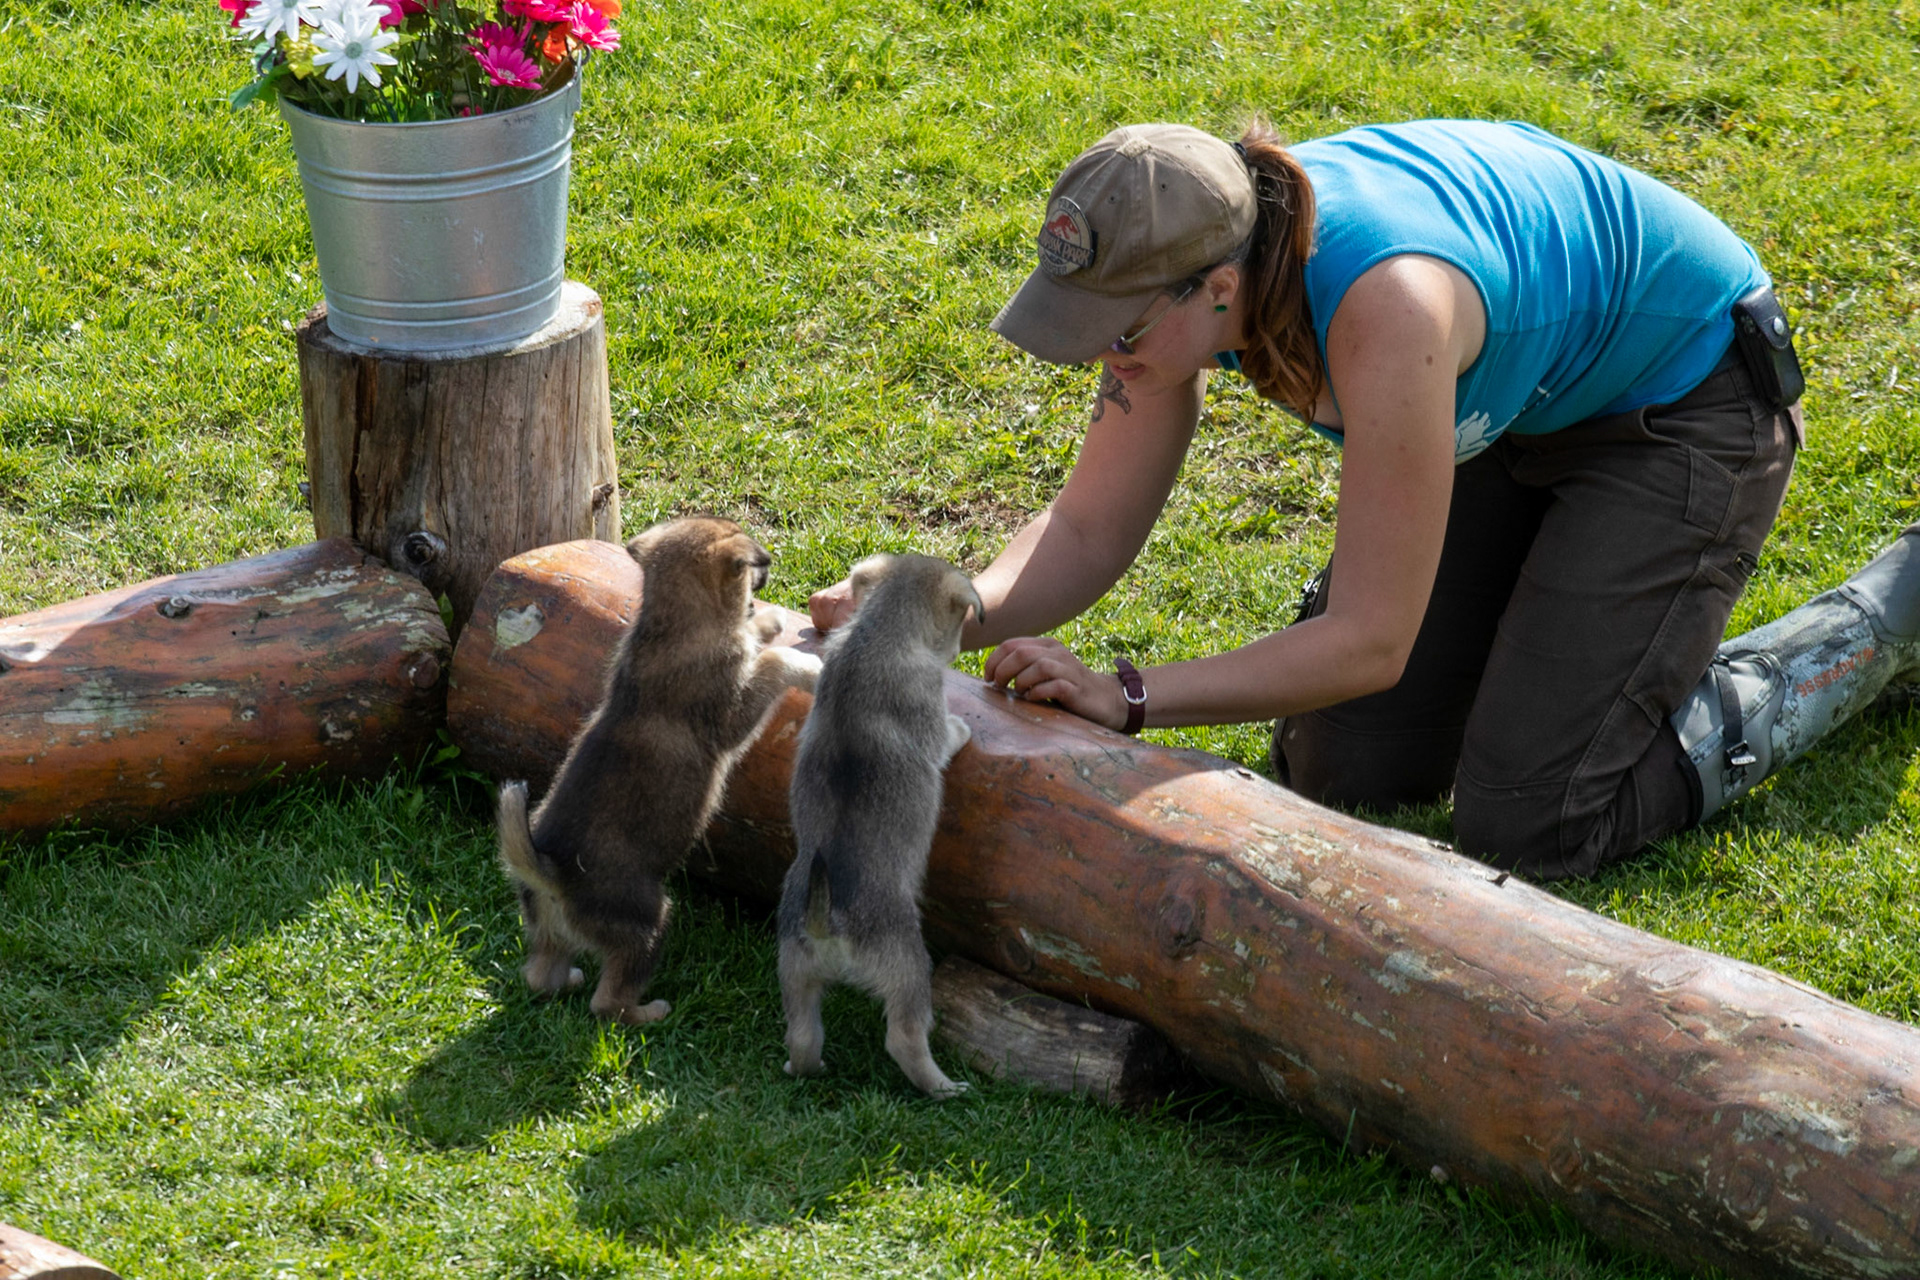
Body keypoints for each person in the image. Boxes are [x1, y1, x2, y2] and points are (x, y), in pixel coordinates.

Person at [808, 118, 1920, 880]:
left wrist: (1133, 695)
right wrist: (937, 611)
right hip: (1518, 403)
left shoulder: (1388, 307)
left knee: (1535, 815)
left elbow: (1371, 640)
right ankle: (1568, 634)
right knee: (1344, 766)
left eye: (1123, 333)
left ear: (1224, 290)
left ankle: (1872, 625)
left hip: (1685, 401)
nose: (1107, 357)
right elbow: (1092, 522)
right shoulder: (1195, 257)